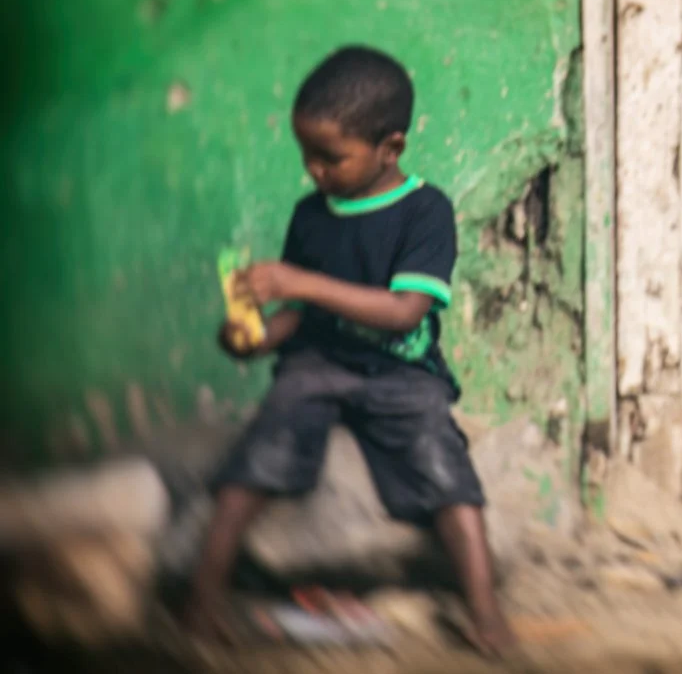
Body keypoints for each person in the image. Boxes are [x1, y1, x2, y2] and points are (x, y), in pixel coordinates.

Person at [186, 46, 514, 656]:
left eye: (330, 157)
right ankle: (204, 599)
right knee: (256, 456)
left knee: (447, 471)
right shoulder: (311, 214)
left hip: (402, 372)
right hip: (318, 364)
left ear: (390, 147)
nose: (314, 170)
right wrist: (248, 338)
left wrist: (298, 282)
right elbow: (296, 317)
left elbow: (403, 314)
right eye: (306, 154)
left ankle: (484, 611)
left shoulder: (425, 211)